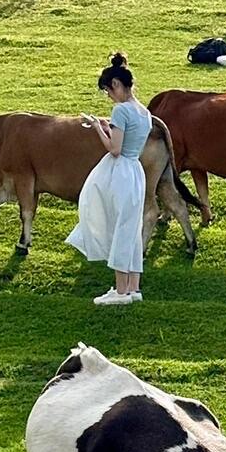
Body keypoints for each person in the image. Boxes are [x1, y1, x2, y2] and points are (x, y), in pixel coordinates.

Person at [68, 52, 152, 306]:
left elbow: (115, 149)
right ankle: (132, 286)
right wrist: (107, 128)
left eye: (108, 90)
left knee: (120, 226)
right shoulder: (144, 112)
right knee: (131, 227)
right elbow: (126, 142)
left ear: (116, 85)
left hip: (121, 171)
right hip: (135, 170)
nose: (109, 96)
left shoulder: (121, 110)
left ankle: (121, 289)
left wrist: (97, 129)